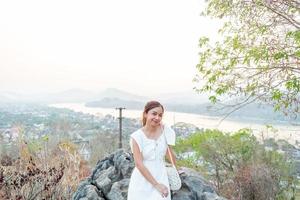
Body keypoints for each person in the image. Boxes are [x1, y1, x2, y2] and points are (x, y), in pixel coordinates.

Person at [127, 100, 177, 200]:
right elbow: (139, 164)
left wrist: (177, 168)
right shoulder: (136, 137)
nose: (157, 118)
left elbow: (169, 154)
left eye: (160, 115)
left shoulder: (165, 131)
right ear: (145, 114)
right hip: (141, 181)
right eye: (154, 114)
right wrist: (156, 185)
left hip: (161, 175)